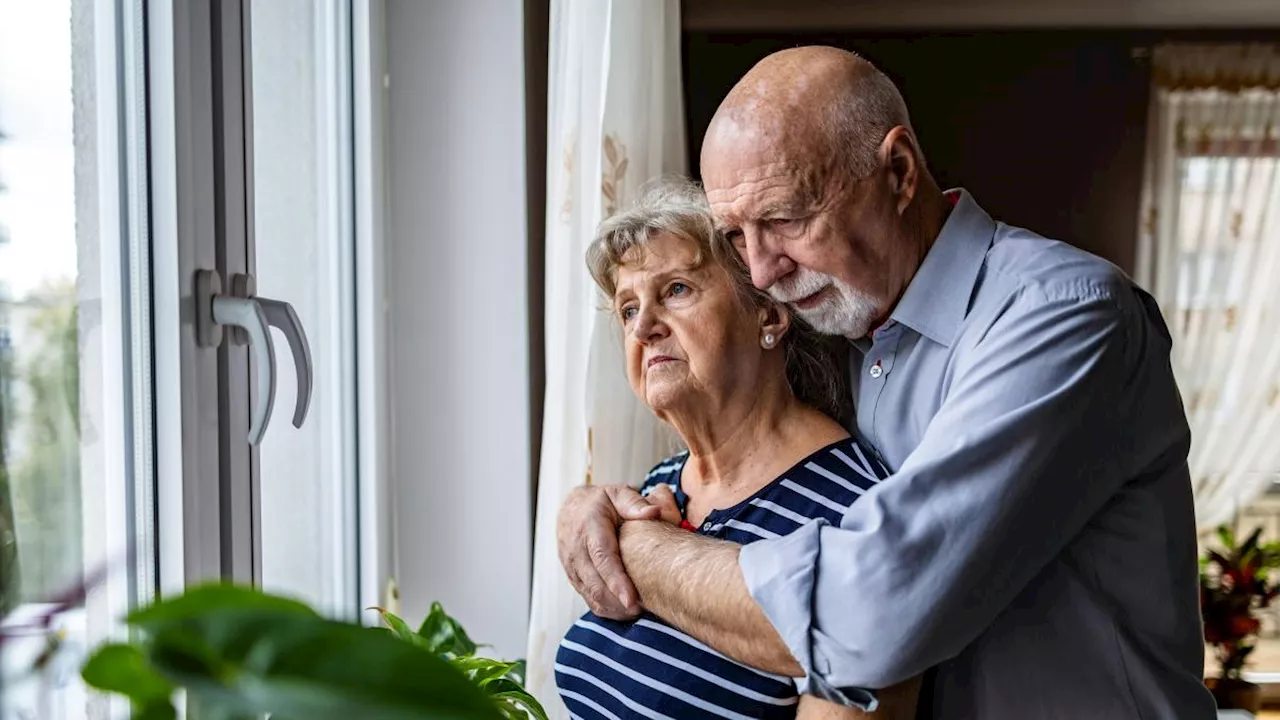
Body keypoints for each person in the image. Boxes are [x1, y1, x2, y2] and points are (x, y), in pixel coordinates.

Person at [556, 46, 1217, 719]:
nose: (760, 272)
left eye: (784, 219)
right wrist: (587, 508)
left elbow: (871, 614)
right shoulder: (844, 322)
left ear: (898, 173)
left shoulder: (1062, 314)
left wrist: (630, 548)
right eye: (735, 234)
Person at [554, 178, 921, 719]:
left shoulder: (859, 513)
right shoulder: (660, 486)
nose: (645, 328)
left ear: (768, 315)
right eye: (629, 308)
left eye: (676, 289)